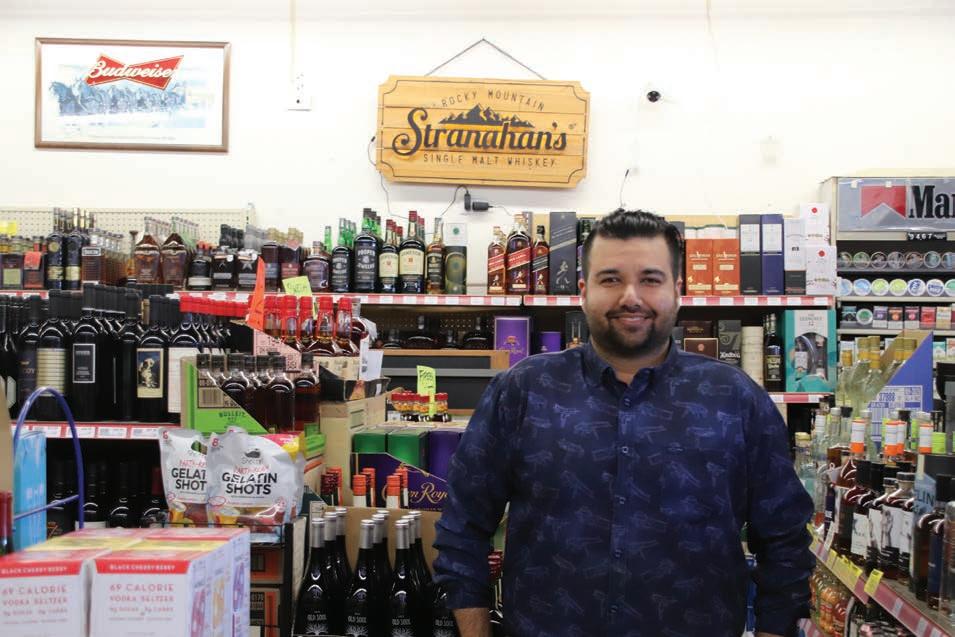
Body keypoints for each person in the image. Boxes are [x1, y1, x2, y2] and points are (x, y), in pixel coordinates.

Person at [434, 209, 814, 637]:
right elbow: (462, 527)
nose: (631, 297)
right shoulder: (522, 390)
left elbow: (785, 541)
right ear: (584, 292)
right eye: (610, 279)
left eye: (650, 279)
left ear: (677, 290)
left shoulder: (736, 399)